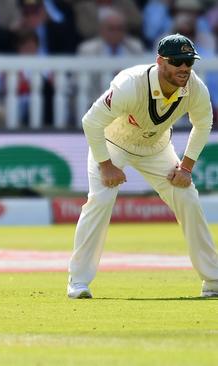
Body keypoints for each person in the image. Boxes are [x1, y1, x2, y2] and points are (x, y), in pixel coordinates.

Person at [67, 34, 218, 299]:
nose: (184, 68)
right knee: (100, 201)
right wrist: (106, 165)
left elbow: (203, 123)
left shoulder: (194, 87)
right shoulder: (131, 85)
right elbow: (91, 122)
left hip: (156, 149)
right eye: (178, 62)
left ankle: (213, 280)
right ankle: (78, 282)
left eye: (189, 62)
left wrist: (186, 167)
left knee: (188, 198)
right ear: (160, 61)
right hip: (112, 144)